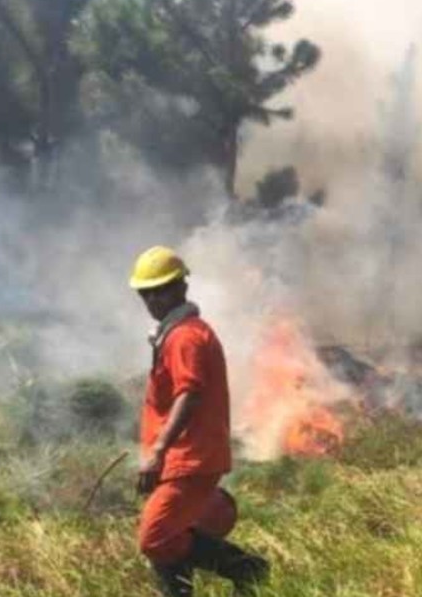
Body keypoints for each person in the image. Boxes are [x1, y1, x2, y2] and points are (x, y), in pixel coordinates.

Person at [130, 246, 269, 596]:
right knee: (170, 534)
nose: (153, 299)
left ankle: (247, 568)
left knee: (154, 537)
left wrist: (159, 450)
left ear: (182, 287)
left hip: (188, 458)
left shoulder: (185, 336)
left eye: (162, 289)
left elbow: (189, 393)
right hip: (180, 459)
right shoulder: (175, 333)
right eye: (146, 293)